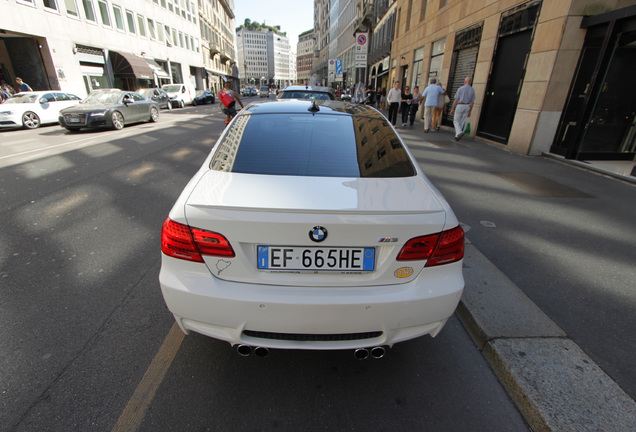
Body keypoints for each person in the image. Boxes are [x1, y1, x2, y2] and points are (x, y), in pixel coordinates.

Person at [449, 76, 476, 141]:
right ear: (470, 82)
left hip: (460, 105)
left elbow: (456, 100)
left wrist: (452, 108)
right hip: (467, 106)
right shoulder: (472, 90)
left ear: (465, 81)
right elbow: (472, 102)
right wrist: (470, 111)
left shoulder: (460, 89)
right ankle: (457, 136)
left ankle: (459, 132)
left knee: (456, 120)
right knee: (462, 121)